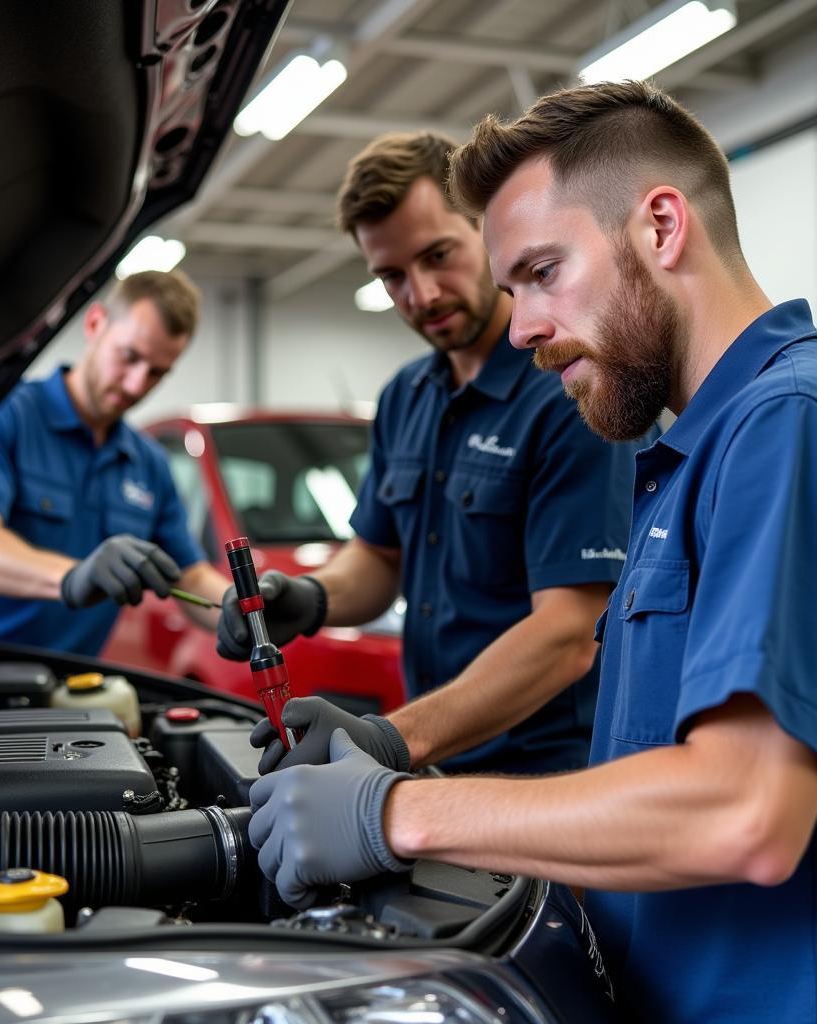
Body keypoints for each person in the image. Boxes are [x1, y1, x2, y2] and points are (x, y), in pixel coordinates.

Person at [248, 81, 817, 1024]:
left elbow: (745, 812)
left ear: (662, 227)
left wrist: (390, 808)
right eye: (513, 289)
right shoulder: (681, 454)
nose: (522, 328)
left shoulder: (782, 424)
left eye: (543, 272)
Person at [219, 131, 644, 777]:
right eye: (392, 275)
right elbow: (379, 558)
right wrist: (309, 597)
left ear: (489, 230)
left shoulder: (569, 388)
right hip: (441, 758)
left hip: (554, 775)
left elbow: (568, 633)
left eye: (437, 255)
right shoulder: (404, 398)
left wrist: (392, 739)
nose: (420, 294)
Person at [0, 269, 228, 655]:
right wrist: (73, 577)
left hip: (61, 687)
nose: (136, 385)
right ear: (95, 324)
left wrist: (249, 610)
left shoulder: (150, 465)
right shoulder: (1, 414)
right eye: (130, 357)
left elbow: (190, 576)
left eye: (157, 372)